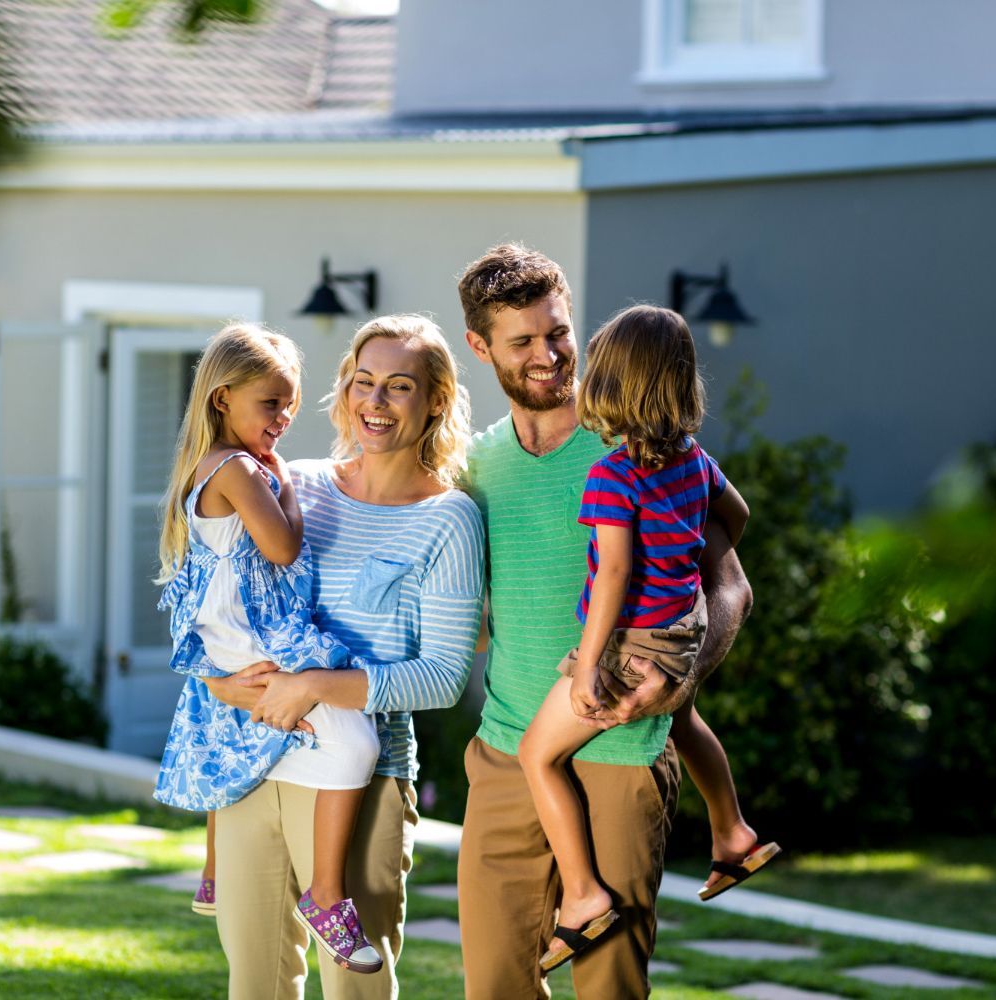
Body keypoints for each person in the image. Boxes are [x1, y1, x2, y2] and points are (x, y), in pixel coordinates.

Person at [457, 245, 759, 998]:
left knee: (609, 989)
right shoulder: (477, 465)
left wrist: (682, 673)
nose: (548, 355)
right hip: (507, 750)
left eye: (557, 332)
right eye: (522, 341)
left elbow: (731, 583)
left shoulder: (637, 438)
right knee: (495, 984)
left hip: (625, 751)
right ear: (480, 346)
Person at [200, 314, 486, 1000]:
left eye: (398, 386)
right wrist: (220, 682)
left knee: (354, 986)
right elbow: (218, 597)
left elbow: (443, 677)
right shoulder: (295, 484)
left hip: (363, 777)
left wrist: (314, 687)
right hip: (253, 758)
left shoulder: (450, 518)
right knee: (255, 981)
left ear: (435, 402)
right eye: (363, 383)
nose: (375, 403)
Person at [517, 304, 777, 974]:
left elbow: (613, 575)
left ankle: (580, 896)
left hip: (631, 639)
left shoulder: (612, 474)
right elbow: (737, 515)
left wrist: (585, 669)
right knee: (685, 718)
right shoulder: (694, 461)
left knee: (537, 755)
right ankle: (734, 831)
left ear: (610, 387)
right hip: (681, 627)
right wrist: (685, 556)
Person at [152, 323, 385, 973]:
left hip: (228, 642)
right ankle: (326, 895)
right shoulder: (237, 470)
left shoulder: (207, 467)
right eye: (270, 403)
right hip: (254, 636)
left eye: (289, 404)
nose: (282, 418)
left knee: (227, 730)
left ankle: (214, 871)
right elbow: (281, 547)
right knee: (358, 743)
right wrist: (288, 488)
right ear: (222, 398)